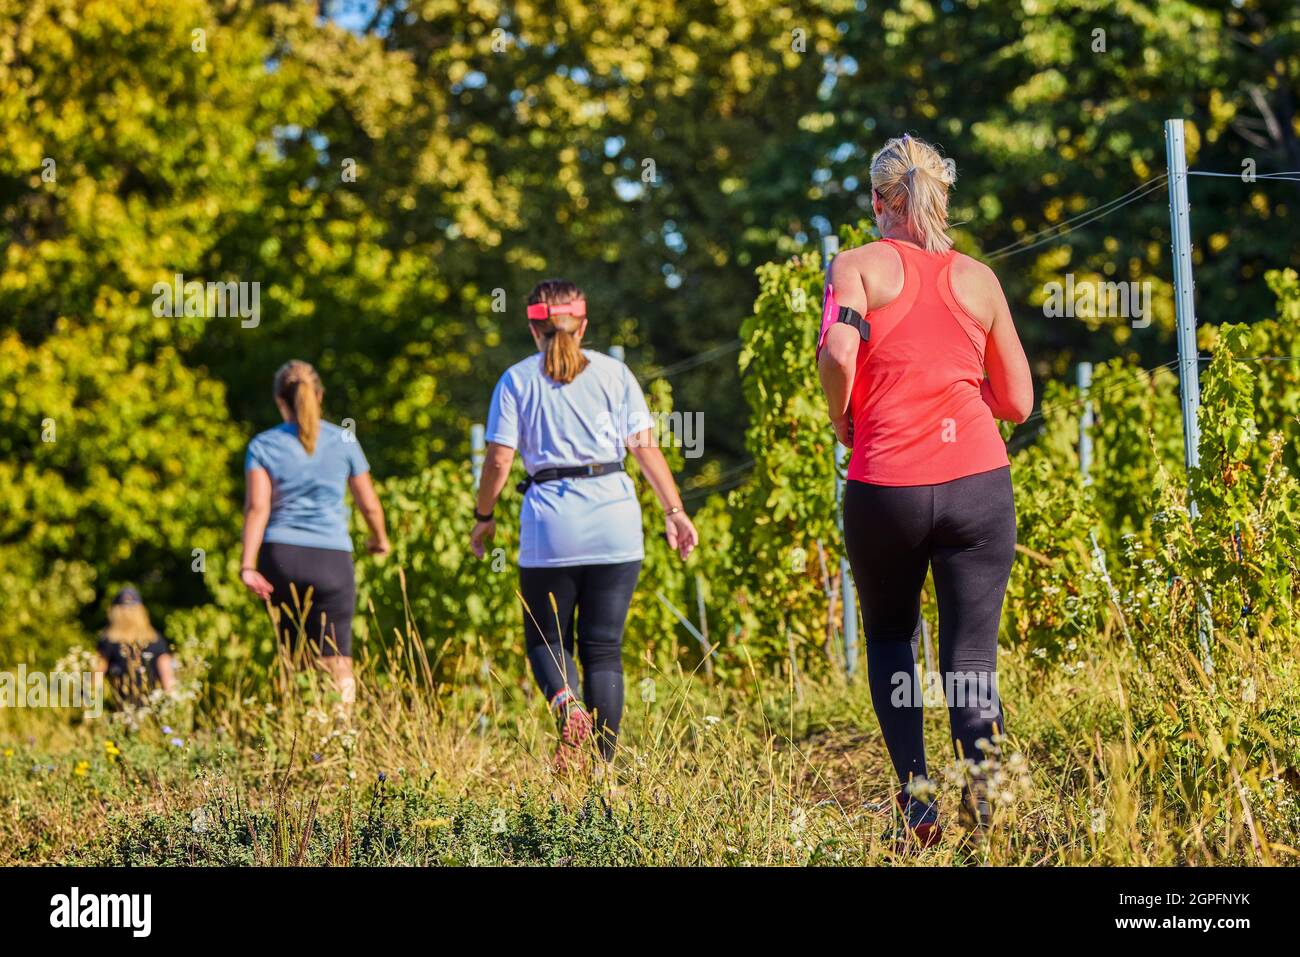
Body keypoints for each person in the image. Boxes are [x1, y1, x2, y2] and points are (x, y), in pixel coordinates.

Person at [817, 134, 1033, 848]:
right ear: (943, 196)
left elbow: (836, 350)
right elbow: (1020, 403)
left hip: (887, 488)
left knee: (887, 636)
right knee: (971, 660)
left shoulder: (856, 267)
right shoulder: (978, 279)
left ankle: (918, 804)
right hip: (978, 486)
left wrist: (844, 417)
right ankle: (992, 813)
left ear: (879, 202)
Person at [471, 279, 698, 772]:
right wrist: (674, 511)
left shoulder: (517, 381)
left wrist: (483, 517)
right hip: (616, 521)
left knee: (546, 640)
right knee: (604, 650)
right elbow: (644, 448)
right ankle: (603, 769)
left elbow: (499, 461)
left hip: (551, 526)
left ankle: (565, 704)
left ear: (533, 326)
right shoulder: (615, 374)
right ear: (585, 323)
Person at [239, 360, 390, 706]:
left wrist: (248, 565)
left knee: (293, 653)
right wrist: (378, 539)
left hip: (281, 558)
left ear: (280, 400)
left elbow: (257, 508)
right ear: (320, 396)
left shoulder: (262, 445)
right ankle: (339, 734)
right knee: (337, 656)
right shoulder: (344, 438)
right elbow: (369, 505)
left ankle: (297, 727)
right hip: (332, 559)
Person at [95, 586, 176, 707]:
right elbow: (168, 678)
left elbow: (96, 676)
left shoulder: (108, 640)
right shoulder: (156, 639)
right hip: (152, 708)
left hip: (120, 708)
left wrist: (92, 710)